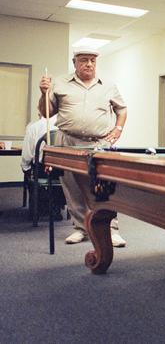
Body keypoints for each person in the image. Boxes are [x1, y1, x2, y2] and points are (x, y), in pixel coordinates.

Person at [39, 49, 128, 247]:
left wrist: (118, 129)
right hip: (68, 141)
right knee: (72, 187)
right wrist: (43, 93)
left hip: (99, 143)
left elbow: (122, 109)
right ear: (75, 63)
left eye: (92, 60)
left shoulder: (109, 85)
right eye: (84, 60)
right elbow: (46, 113)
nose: (89, 64)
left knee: (103, 187)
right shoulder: (59, 83)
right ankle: (81, 228)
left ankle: (111, 230)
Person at [21, 113, 63, 219]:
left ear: (40, 112)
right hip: (61, 171)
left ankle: (38, 207)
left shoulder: (34, 127)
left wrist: (25, 167)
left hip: (41, 170)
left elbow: (27, 155)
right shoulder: (64, 127)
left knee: (29, 171)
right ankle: (55, 207)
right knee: (59, 176)